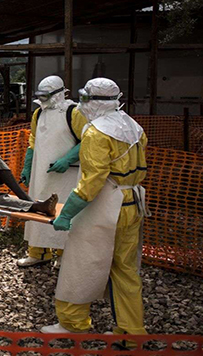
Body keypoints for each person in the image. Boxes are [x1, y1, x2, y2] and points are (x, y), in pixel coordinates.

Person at [42, 78, 148, 341]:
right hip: (132, 203)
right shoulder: (134, 127)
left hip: (103, 206)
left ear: (93, 101)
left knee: (81, 264)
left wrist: (66, 214)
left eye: (85, 98)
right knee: (125, 270)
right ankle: (132, 332)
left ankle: (73, 323)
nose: (81, 104)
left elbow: (92, 182)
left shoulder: (96, 132)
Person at [17, 76, 87, 268]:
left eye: (47, 95)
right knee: (38, 209)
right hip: (41, 175)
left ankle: (65, 255)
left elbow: (88, 139)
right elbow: (33, 140)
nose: (43, 99)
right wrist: (28, 166)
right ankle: (38, 253)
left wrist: (68, 159)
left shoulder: (74, 112)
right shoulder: (38, 113)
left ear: (58, 93)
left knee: (64, 211)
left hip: (67, 176)